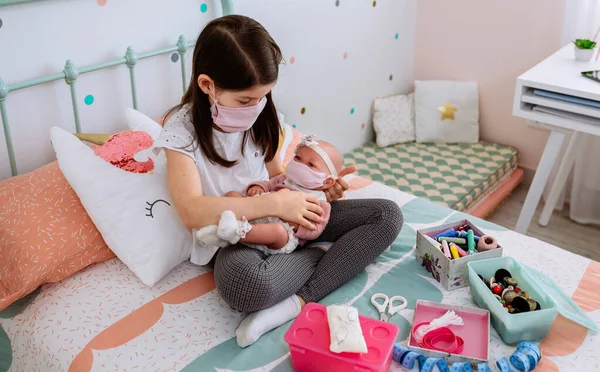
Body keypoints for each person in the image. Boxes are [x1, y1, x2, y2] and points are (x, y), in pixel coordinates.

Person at [155, 14, 403, 348]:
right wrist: (273, 204)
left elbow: (277, 177)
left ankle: (298, 297)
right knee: (246, 288)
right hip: (240, 237)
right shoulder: (181, 133)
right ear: (206, 85)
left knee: (387, 215)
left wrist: (317, 191)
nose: (256, 107)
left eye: (263, 97)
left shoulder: (260, 114)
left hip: (288, 215)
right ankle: (322, 259)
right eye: (245, 100)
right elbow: (192, 211)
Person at [194, 135, 341, 256]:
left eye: (310, 165)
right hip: (257, 214)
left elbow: (314, 229)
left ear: (328, 181)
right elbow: (268, 184)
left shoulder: (320, 202)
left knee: (277, 230)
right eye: (298, 158)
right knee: (232, 195)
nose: (300, 165)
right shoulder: (285, 179)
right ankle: (221, 230)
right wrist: (257, 187)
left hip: (281, 235)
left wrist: (293, 222)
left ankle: (235, 232)